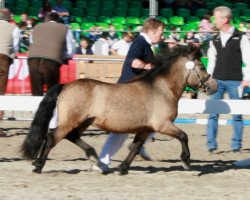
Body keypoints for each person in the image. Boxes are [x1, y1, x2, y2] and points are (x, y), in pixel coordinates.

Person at [93, 17, 165, 173]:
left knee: (152, 122)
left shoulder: (145, 44)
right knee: (121, 130)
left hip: (134, 92)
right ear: (151, 31)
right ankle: (104, 160)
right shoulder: (140, 43)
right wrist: (152, 67)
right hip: (127, 92)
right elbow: (133, 62)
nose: (162, 36)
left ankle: (136, 147)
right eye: (161, 32)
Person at [206, 6, 250, 153]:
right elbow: (212, 61)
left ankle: (236, 146)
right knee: (213, 114)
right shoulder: (214, 38)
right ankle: (211, 145)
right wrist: (208, 80)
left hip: (236, 81)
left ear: (225, 19)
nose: (214, 21)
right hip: (216, 81)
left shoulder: (241, 36)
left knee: (237, 115)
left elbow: (248, 59)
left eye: (216, 18)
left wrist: (247, 79)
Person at [28, 12, 74, 96]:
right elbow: (70, 50)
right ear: (58, 20)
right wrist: (66, 56)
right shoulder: (65, 28)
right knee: (52, 91)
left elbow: (31, 42)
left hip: (33, 59)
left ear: (46, 20)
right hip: (52, 60)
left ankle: (35, 108)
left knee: (36, 91)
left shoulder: (36, 27)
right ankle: (51, 108)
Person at [0, 8, 20, 134]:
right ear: (10, 18)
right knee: (0, 93)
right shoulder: (14, 28)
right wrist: (12, 56)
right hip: (3, 60)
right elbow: (15, 47)